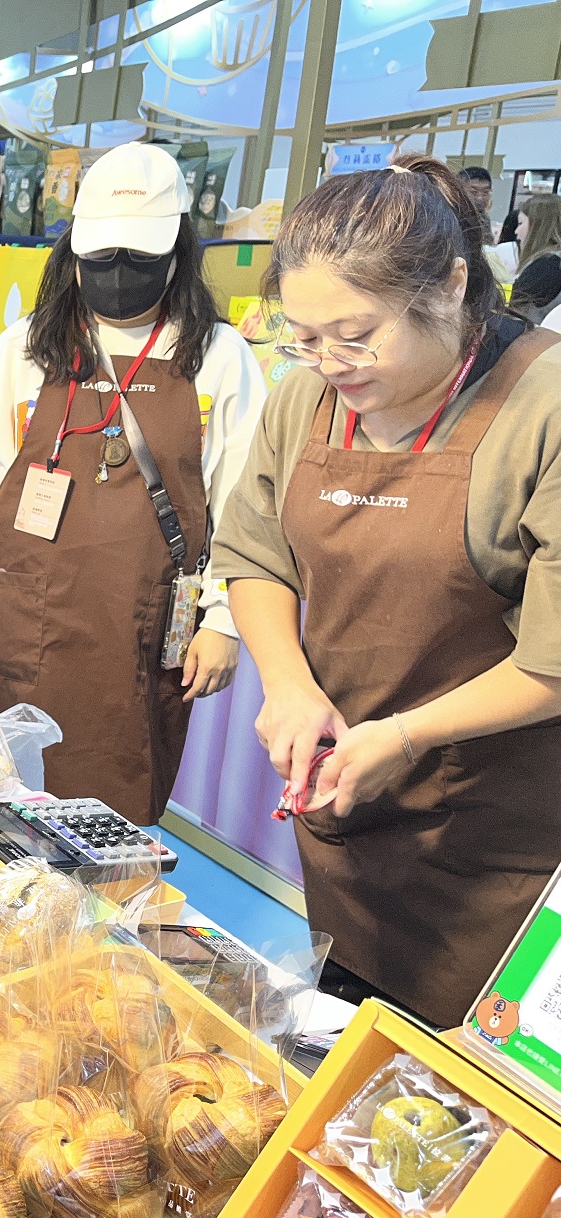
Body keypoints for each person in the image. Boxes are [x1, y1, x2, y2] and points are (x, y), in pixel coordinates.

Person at [213, 153, 561, 1028]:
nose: (329, 362)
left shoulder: (544, 407)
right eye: (303, 336)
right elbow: (253, 554)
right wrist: (289, 686)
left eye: (356, 334)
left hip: (495, 839)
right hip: (351, 817)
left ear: (450, 287)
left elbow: (554, 660)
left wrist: (404, 736)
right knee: (348, 1033)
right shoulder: (304, 400)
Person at [0, 142, 266, 827]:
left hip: (138, 630)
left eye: (138, 260)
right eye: (101, 257)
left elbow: (245, 503)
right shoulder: (24, 348)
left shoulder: (220, 358)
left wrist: (225, 620)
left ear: (176, 254)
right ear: (74, 252)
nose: (117, 275)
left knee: (108, 819)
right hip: (18, 619)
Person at [511, 193, 561, 324]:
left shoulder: (545, 267)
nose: (516, 231)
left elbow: (514, 315)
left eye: (521, 223)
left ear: (538, 227)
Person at [458, 164, 495, 246]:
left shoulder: (484, 218)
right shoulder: (450, 216)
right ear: (459, 192)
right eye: (474, 192)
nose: (480, 198)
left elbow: (487, 246)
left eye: (485, 192)